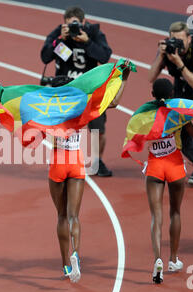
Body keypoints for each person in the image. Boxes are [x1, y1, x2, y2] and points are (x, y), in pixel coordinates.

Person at [48, 62, 130, 283]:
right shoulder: (82, 107)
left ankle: (66, 264)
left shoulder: (48, 108)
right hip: (76, 162)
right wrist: (122, 78)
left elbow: (16, 110)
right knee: (74, 215)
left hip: (58, 163)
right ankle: (76, 254)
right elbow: (113, 102)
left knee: (61, 216)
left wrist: (0, 97)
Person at [143, 79, 193, 284]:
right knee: (175, 212)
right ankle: (173, 259)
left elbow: (135, 136)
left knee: (156, 217)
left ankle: (157, 259)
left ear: (152, 94)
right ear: (172, 94)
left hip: (154, 167)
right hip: (175, 166)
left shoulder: (144, 116)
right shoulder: (179, 114)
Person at [41, 6, 114, 177]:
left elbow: (104, 56)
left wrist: (87, 42)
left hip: (89, 90)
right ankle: (60, 159)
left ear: (83, 22)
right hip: (65, 90)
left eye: (76, 24)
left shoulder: (93, 33)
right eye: (69, 24)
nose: (73, 28)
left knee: (97, 128)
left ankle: (97, 162)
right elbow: (45, 57)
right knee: (61, 127)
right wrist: (60, 40)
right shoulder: (59, 34)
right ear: (64, 23)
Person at [149, 21, 193, 187]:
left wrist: (179, 63)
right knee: (178, 128)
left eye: (181, 40)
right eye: (174, 40)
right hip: (184, 84)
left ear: (189, 38)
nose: (178, 44)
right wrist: (161, 56)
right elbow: (151, 77)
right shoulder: (169, 48)